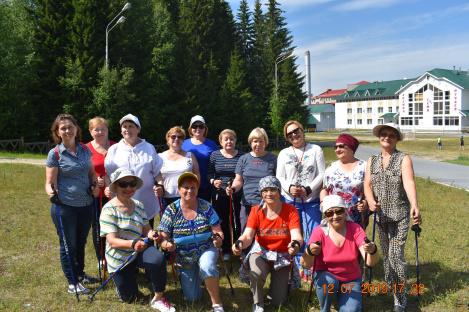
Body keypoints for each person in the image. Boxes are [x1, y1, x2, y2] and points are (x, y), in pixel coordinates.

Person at [364, 123, 422, 312]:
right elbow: (367, 184)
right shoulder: (371, 160)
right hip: (380, 217)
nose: (387, 137)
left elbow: (409, 182)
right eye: (383, 134)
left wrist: (414, 204)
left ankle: (400, 298)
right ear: (379, 137)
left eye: (391, 135)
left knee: (396, 256)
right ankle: (391, 284)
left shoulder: (403, 159)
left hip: (400, 216)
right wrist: (371, 201)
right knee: (387, 256)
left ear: (397, 139)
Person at [100, 168, 175, 312]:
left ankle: (159, 297)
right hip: (119, 257)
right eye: (123, 184)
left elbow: (146, 229)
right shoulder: (108, 209)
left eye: (132, 184)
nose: (128, 188)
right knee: (130, 299)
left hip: (139, 250)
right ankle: (124, 282)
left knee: (158, 258)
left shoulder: (138, 205)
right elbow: (112, 241)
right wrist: (133, 243)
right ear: (115, 187)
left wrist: (153, 234)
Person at [45, 113, 99, 294]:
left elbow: (91, 173)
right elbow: (49, 182)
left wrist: (94, 184)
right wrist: (51, 192)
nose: (67, 130)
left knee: (80, 242)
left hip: (85, 204)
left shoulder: (84, 150)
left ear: (76, 129)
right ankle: (72, 281)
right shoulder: (55, 154)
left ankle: (80, 273)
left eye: (70, 127)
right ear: (58, 132)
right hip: (65, 206)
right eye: (63, 128)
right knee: (69, 244)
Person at [232, 176, 303, 312]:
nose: (269, 193)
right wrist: (240, 243)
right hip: (262, 251)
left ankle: (275, 291)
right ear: (261, 193)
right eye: (265, 190)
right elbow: (248, 235)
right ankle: (258, 303)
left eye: (273, 189)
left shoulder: (290, 211)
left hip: (282, 254)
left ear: (279, 191)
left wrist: (295, 244)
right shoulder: (255, 211)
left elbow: (297, 235)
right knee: (256, 273)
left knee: (278, 301)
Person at [158, 172, 225, 312]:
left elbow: (218, 231)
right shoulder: (171, 210)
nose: (189, 191)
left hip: (206, 248)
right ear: (179, 189)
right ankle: (201, 277)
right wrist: (167, 245)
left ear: (198, 188)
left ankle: (217, 305)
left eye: (193, 187)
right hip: (184, 256)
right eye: (185, 187)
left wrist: (218, 239)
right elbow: (162, 238)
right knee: (193, 298)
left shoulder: (206, 206)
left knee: (207, 265)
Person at [301, 195, 379, 312]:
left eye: (339, 211)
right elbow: (305, 264)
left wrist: (372, 250)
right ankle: (325, 308)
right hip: (326, 279)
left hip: (351, 279)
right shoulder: (319, 232)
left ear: (345, 211)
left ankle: (341, 298)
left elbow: (370, 262)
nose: (335, 216)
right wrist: (309, 252)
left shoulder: (355, 229)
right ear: (325, 216)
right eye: (330, 213)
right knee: (329, 282)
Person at [105, 114, 163, 227]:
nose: (127, 129)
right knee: (126, 236)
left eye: (131, 126)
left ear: (138, 129)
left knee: (147, 236)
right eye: (124, 126)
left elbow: (157, 173)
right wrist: (108, 188)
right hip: (121, 202)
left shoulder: (149, 148)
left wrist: (160, 186)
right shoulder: (114, 150)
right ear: (121, 130)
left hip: (146, 202)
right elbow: (108, 175)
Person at [276, 120, 325, 256]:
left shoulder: (315, 150)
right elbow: (279, 177)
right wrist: (290, 188)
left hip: (311, 201)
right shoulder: (283, 153)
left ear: (302, 131)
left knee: (313, 234)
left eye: (296, 131)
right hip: (290, 202)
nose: (293, 135)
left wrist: (308, 189)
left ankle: (312, 266)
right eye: (289, 134)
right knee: (294, 235)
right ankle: (297, 268)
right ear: (287, 137)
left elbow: (322, 173)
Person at [226, 127, 277, 231]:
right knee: (246, 233)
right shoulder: (243, 159)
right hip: (247, 203)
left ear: (265, 142)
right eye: (255, 141)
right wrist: (233, 188)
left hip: (267, 204)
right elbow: (238, 180)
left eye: (261, 141)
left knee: (266, 234)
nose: (258, 144)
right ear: (250, 142)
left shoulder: (273, 159)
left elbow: (279, 181)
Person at [208, 129, 244, 260]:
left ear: (235, 141)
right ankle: (225, 249)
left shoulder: (242, 155)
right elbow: (210, 173)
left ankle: (239, 246)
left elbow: (243, 175)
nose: (229, 141)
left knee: (236, 221)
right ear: (221, 141)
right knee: (221, 221)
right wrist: (213, 181)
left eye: (231, 139)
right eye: (226, 139)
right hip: (219, 194)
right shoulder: (214, 155)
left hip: (237, 193)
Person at [320, 133, 368, 229]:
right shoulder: (331, 167)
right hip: (334, 215)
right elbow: (324, 189)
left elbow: (370, 189)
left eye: (341, 146)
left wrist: (365, 203)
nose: (337, 150)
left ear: (351, 148)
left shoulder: (364, 166)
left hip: (356, 216)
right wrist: (323, 202)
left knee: (356, 242)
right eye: (335, 147)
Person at [86, 117, 116, 270]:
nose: (99, 132)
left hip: (116, 195)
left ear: (107, 130)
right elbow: (81, 172)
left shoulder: (116, 146)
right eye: (96, 129)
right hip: (96, 195)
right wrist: (94, 182)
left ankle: (117, 254)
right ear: (91, 131)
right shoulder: (85, 149)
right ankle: (101, 258)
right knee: (98, 226)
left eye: (102, 129)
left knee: (116, 225)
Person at [156, 126, 200, 209]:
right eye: (173, 136)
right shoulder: (160, 157)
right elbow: (157, 175)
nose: (176, 139)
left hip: (187, 196)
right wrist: (159, 187)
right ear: (168, 139)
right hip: (166, 197)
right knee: (168, 221)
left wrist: (195, 190)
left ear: (183, 140)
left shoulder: (190, 155)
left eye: (180, 137)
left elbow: (197, 173)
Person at [182, 115, 218, 201]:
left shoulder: (211, 145)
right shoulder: (183, 144)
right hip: (187, 185)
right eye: (194, 126)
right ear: (190, 129)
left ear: (205, 129)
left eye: (201, 126)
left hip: (205, 186)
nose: (198, 128)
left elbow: (217, 163)